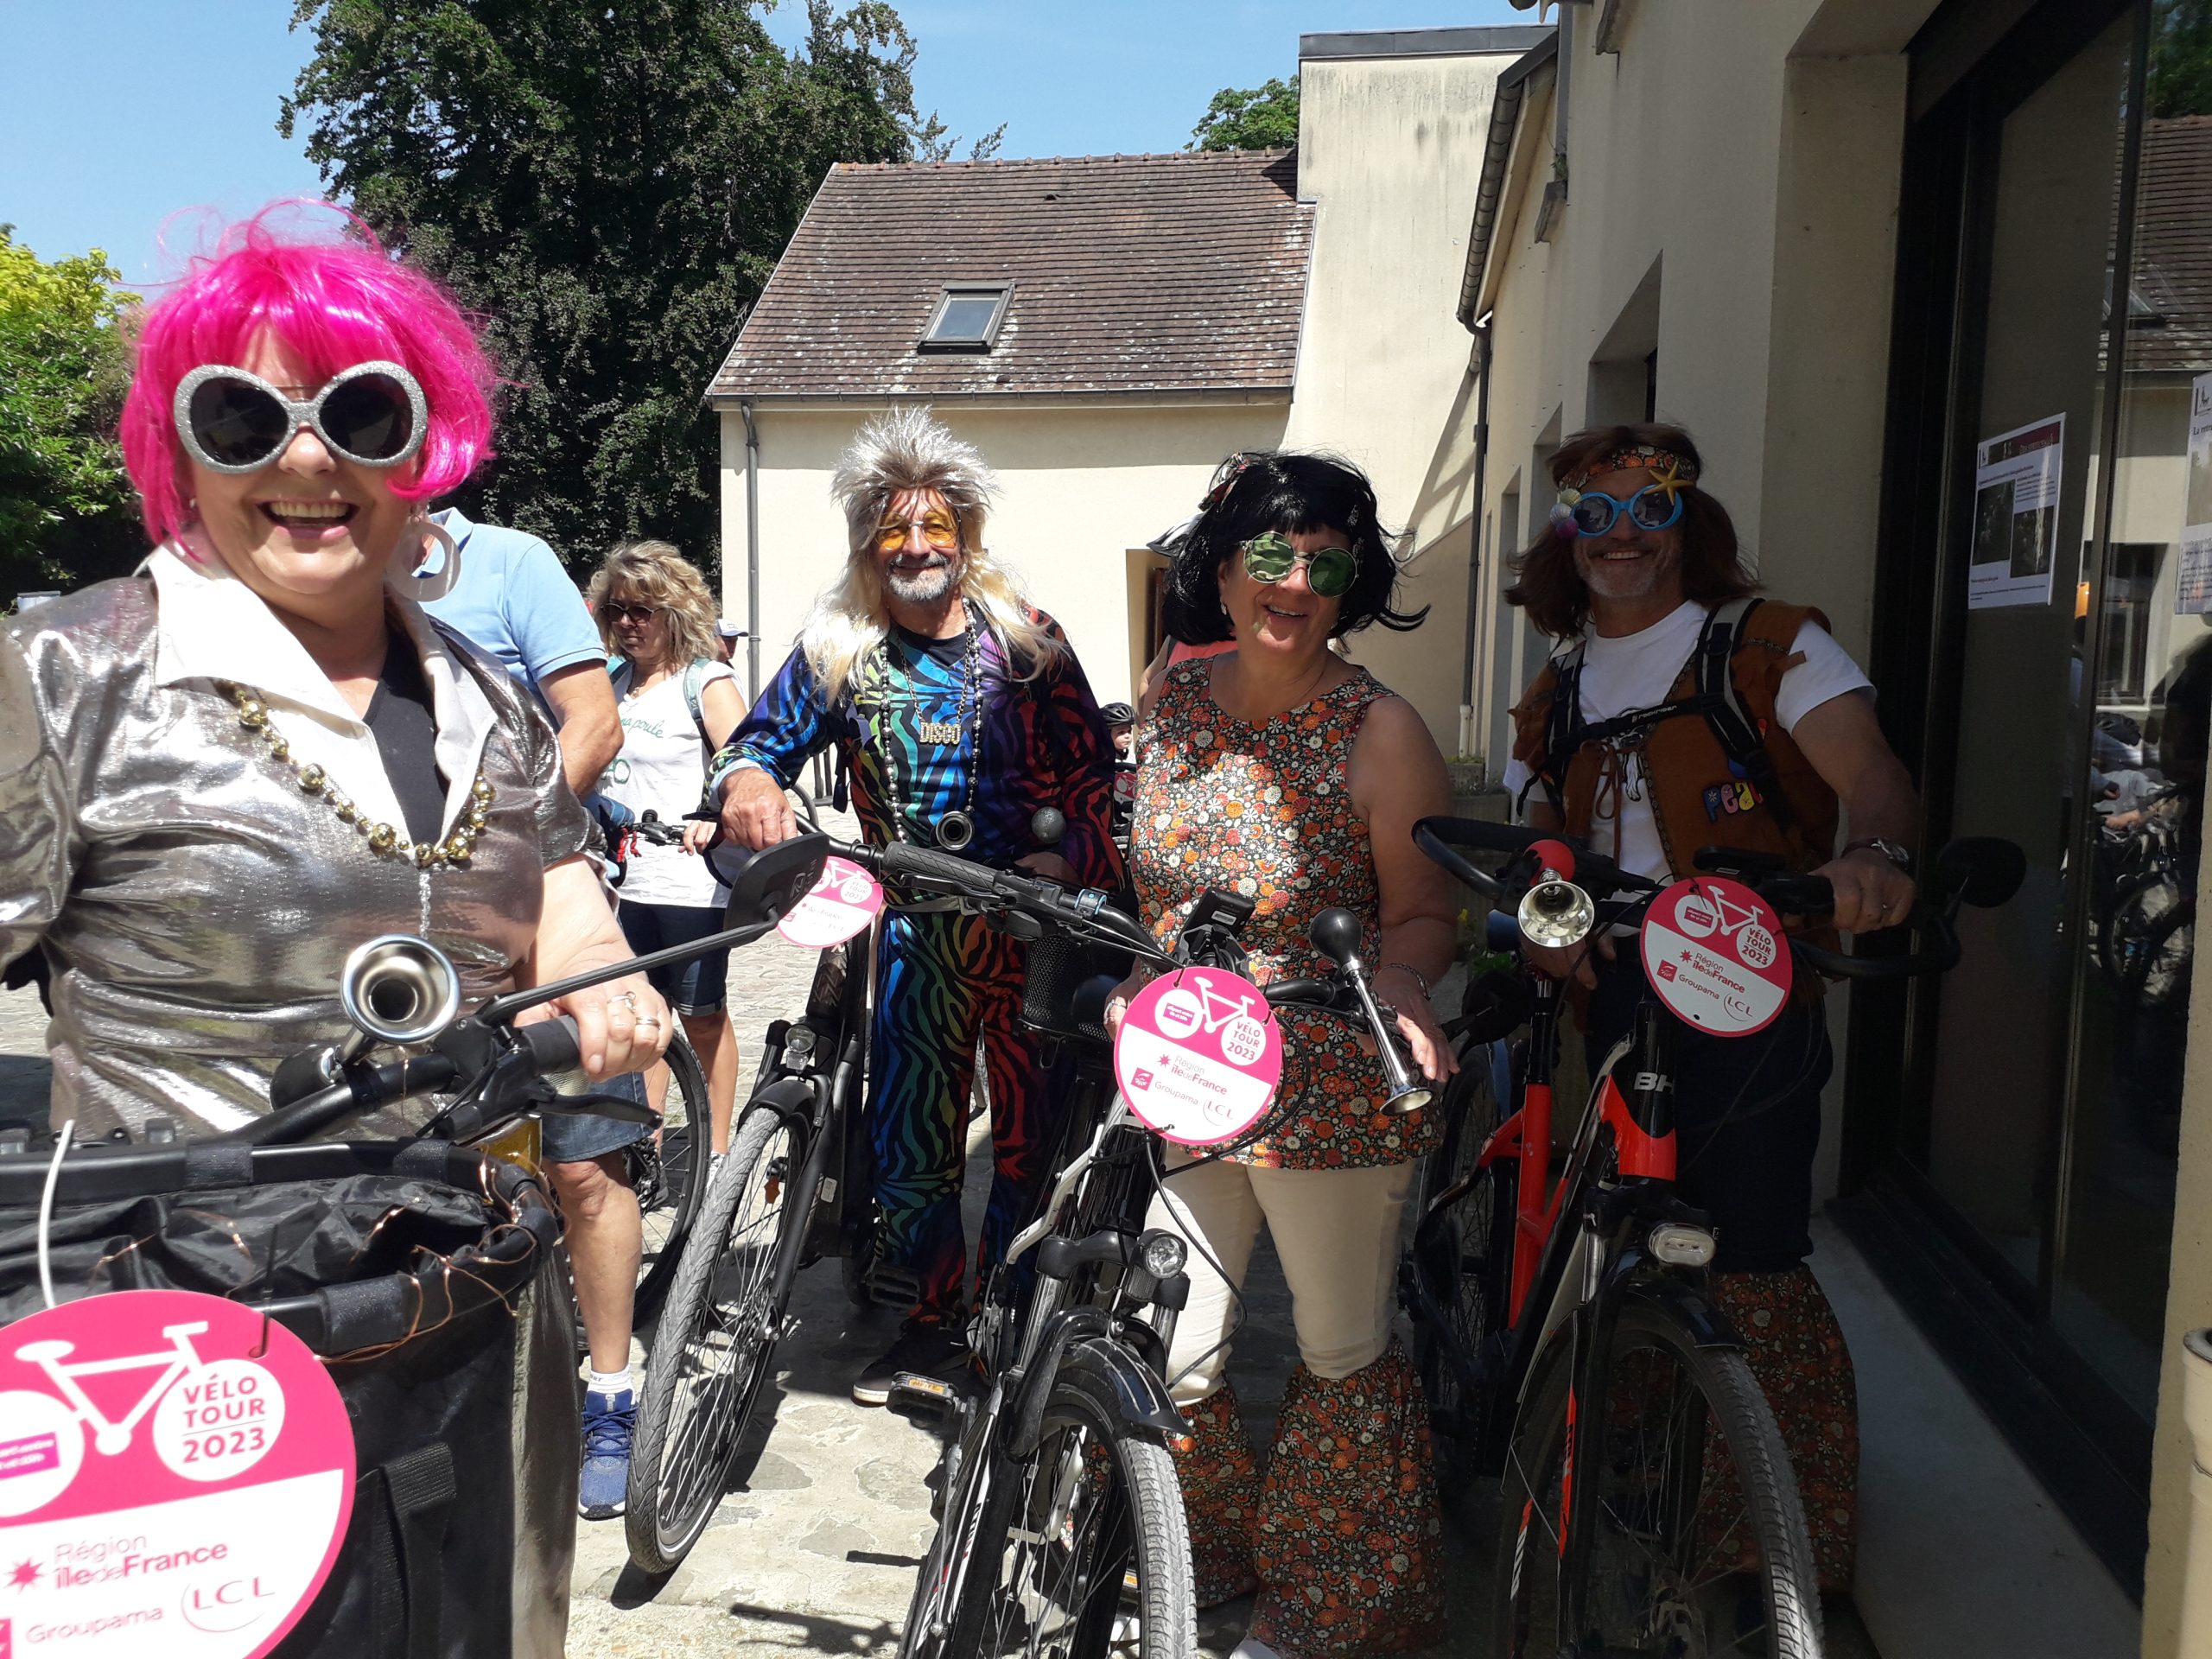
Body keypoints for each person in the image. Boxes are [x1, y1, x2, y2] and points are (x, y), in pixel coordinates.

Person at [0, 219, 669, 1159]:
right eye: (241, 419)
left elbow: (564, 898)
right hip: (176, 1284)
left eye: (362, 416)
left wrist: (600, 980)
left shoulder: (491, 702)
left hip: (470, 1273)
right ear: (182, 455)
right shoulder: (60, 676)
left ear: (419, 452)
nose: (309, 458)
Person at [1498, 422, 1921, 1595]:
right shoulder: (1559, 687)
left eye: (1651, 508)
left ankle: (1772, 1540)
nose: (1622, 533)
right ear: (1567, 539)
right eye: (1595, 513)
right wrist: (1557, 929)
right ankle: (1641, 1451)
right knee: (1627, 1219)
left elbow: (1870, 771)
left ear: (1691, 524)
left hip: (1746, 979)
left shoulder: (1768, 648)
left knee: (1750, 1242)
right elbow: (1548, 841)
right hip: (1618, 981)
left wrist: (1876, 855)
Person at [1108, 451, 1459, 1659]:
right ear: (1223, 563)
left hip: (1330, 1086)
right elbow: (1149, 891)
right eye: (1271, 553)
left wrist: (1404, 984)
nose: (1294, 581)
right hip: (1193, 1065)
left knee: (1340, 1348)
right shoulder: (1172, 705)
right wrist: (1138, 982)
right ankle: (1195, 1559)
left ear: (1352, 583)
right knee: (1179, 1342)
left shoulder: (1382, 729)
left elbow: (1421, 914)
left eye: (1324, 561)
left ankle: (1330, 1607)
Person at [710, 405, 1119, 1404]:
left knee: (1028, 1136)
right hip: (910, 934)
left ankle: (1009, 1323)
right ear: (866, 543)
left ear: (967, 535)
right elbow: (754, 744)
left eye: (936, 526)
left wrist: (1070, 866)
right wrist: (749, 784)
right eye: (894, 529)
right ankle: (932, 1325)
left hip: (1030, 932)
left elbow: (1092, 775)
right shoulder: (836, 648)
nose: (917, 545)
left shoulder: (1028, 643)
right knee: (912, 1141)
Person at [588, 540, 749, 1144]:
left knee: (700, 1018)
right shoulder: (607, 680)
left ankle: (719, 1145)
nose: (628, 623)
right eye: (617, 611)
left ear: (674, 613)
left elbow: (750, 771)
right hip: (621, 881)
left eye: (643, 610)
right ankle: (646, 1138)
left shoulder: (706, 682)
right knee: (638, 1014)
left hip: (692, 881)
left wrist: (718, 812)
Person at [422, 506, 622, 798]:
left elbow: (596, 726)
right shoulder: (346, 586)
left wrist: (518, 835)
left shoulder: (511, 559)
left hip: (514, 834)